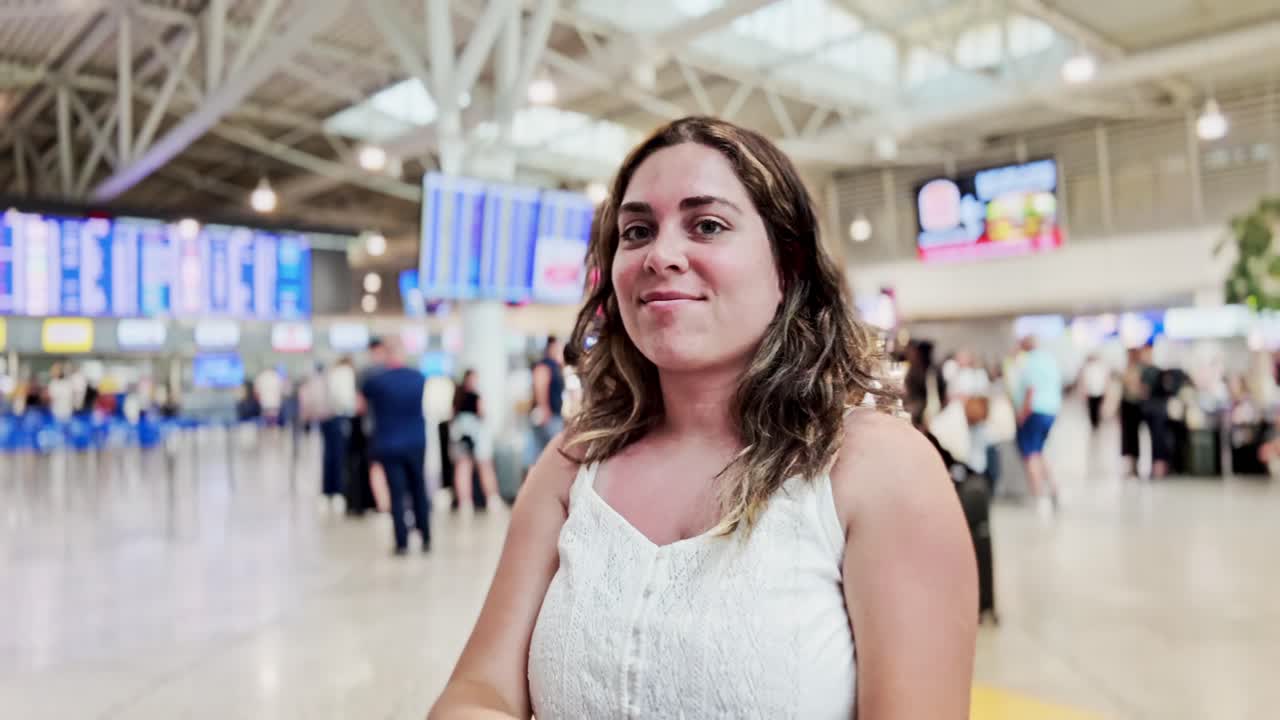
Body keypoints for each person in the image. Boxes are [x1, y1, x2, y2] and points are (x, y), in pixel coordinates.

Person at [431, 117, 976, 719]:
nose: (661, 255)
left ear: (787, 265)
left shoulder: (877, 469)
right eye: (636, 231)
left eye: (707, 225)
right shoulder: (573, 465)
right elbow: (482, 689)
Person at [359, 337, 431, 555]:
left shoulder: (376, 382)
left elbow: (361, 405)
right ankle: (426, 535)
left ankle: (402, 541)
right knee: (419, 488)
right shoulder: (418, 378)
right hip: (416, 442)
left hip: (389, 444)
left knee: (396, 493)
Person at [1013, 334, 1063, 508]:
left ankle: (1038, 495)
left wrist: (1022, 414)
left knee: (1031, 454)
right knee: (1040, 451)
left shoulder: (1029, 363)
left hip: (1034, 412)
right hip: (1051, 411)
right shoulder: (1049, 360)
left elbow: (1031, 391)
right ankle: (1054, 488)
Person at [450, 368, 501, 510]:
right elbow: (482, 414)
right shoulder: (475, 396)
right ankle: (492, 498)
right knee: (484, 466)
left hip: (460, 435)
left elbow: (452, 416)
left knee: (463, 468)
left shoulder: (457, 396)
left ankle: (465, 502)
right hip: (475, 435)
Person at [528, 336, 565, 462]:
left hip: (554, 415)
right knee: (547, 455)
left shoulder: (555, 366)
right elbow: (540, 386)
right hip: (549, 417)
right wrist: (544, 409)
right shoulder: (544, 365)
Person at [1080, 353, 1110, 431]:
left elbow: (1106, 379)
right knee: (1092, 408)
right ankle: (1094, 423)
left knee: (1097, 407)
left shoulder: (1102, 367)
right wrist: (1085, 391)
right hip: (1091, 391)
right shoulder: (1089, 367)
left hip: (1100, 391)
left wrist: (1106, 390)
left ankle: (1097, 423)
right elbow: (1085, 380)